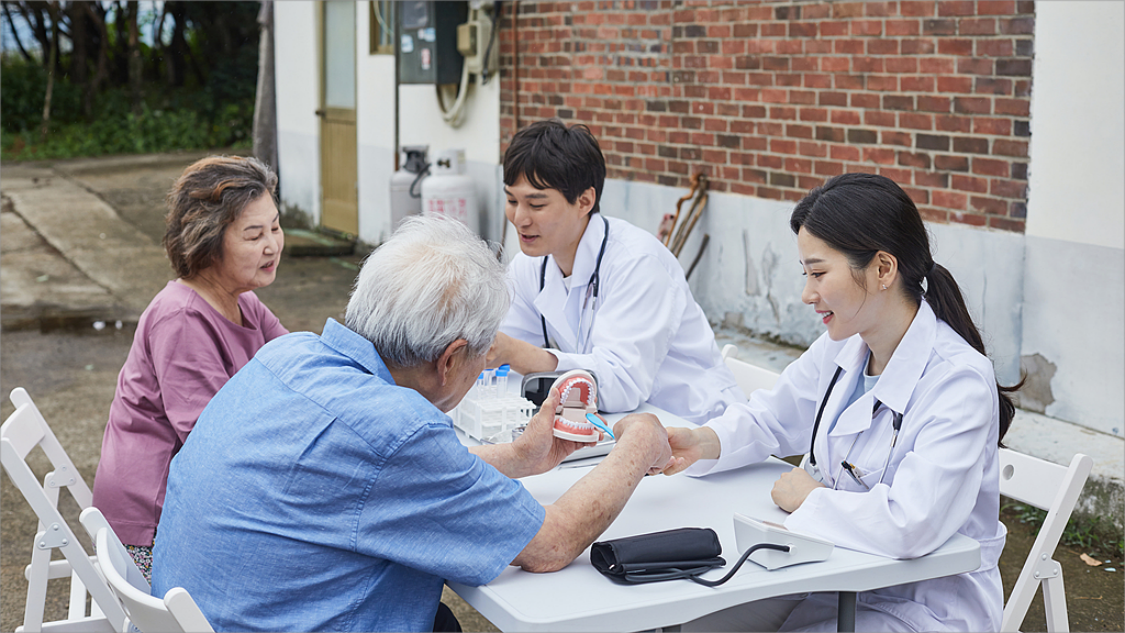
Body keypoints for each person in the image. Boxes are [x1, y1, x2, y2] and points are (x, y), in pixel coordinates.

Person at [151, 216, 673, 633]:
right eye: (484, 354)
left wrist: (519, 457)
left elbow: (367, 476)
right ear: (449, 361)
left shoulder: (288, 355)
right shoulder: (397, 428)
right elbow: (550, 544)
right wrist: (640, 441)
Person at [663, 173, 1018, 632]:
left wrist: (812, 499)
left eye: (818, 273)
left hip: (919, 604)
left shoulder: (958, 381)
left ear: (883, 269)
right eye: (805, 274)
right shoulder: (846, 344)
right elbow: (773, 416)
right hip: (829, 577)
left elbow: (912, 524)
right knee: (687, 621)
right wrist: (698, 441)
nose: (807, 294)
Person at [92, 156, 288, 581]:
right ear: (208, 241)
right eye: (254, 235)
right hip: (154, 525)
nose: (272, 244)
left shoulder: (243, 301)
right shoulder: (181, 318)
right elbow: (210, 443)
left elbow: (300, 366)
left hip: (196, 501)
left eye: (274, 227)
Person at [489, 119, 742, 424]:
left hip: (695, 426)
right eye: (511, 200)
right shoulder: (532, 263)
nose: (519, 218)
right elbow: (499, 352)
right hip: (619, 425)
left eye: (536, 204)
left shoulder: (637, 263)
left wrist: (516, 354)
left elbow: (621, 383)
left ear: (584, 201)